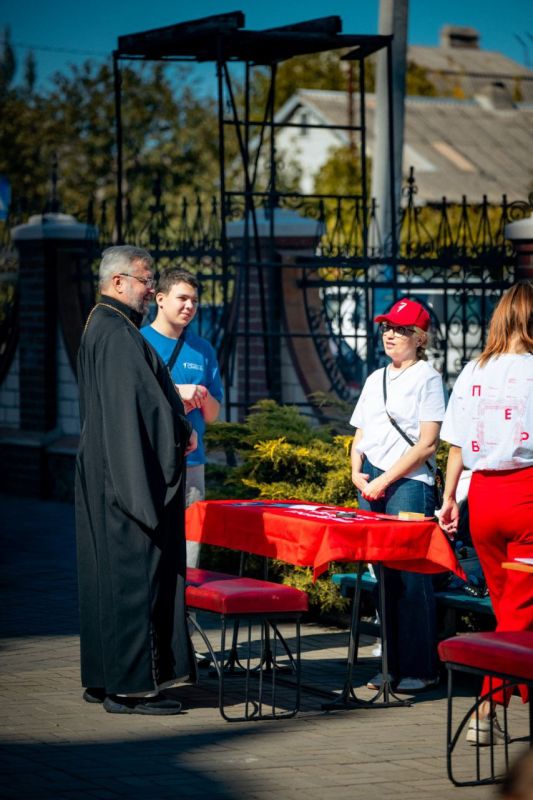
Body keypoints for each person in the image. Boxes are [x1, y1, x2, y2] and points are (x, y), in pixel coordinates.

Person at [75, 246, 198, 715]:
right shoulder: (119, 332)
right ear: (119, 281)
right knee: (132, 580)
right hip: (128, 479)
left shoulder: (101, 325)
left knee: (107, 578)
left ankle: (105, 677)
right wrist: (181, 431)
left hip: (105, 474)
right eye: (147, 280)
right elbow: (145, 408)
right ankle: (132, 687)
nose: (151, 289)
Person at [440, 279, 533, 745]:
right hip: (525, 493)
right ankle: (487, 708)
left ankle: (507, 696)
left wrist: (451, 498)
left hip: (484, 498)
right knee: (518, 613)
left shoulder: (474, 370)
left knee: (510, 608)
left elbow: (457, 441)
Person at [350, 298, 446, 693]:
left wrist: (383, 479)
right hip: (371, 482)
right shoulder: (375, 378)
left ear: (419, 338)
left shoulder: (428, 378)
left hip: (408, 485)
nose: (390, 334)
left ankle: (421, 668)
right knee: (383, 580)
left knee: (411, 580)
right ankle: (389, 665)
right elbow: (360, 432)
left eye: (401, 329)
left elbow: (427, 445)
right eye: (387, 327)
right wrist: (356, 469)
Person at [141, 268, 223, 569]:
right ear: (160, 300)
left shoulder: (202, 349)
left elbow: (213, 415)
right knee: (153, 543)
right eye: (182, 298)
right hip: (151, 459)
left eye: (194, 300)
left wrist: (200, 394)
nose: (189, 306)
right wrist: (178, 392)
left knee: (189, 548)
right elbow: (134, 399)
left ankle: (185, 611)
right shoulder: (139, 342)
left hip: (192, 463)